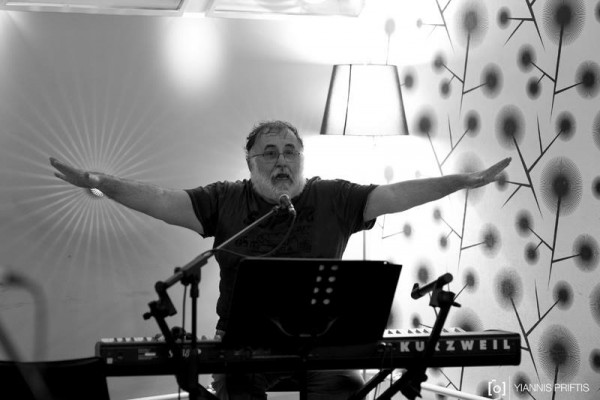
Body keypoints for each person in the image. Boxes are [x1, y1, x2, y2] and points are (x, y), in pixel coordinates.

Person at [49, 120, 510, 400]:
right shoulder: (225, 200)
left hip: (327, 345)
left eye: (290, 151)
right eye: (269, 153)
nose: (281, 161)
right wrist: (102, 182)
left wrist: (458, 181)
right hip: (245, 345)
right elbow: (163, 200)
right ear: (250, 164)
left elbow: (395, 195)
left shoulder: (334, 197)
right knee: (237, 393)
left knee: (347, 393)